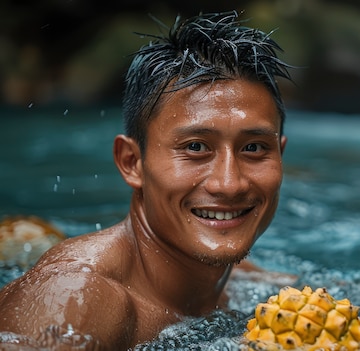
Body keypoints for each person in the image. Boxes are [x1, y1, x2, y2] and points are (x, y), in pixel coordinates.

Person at [0, 11, 293, 350]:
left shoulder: (246, 281)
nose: (229, 184)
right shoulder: (79, 297)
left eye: (254, 148)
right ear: (132, 162)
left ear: (280, 155)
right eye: (195, 147)